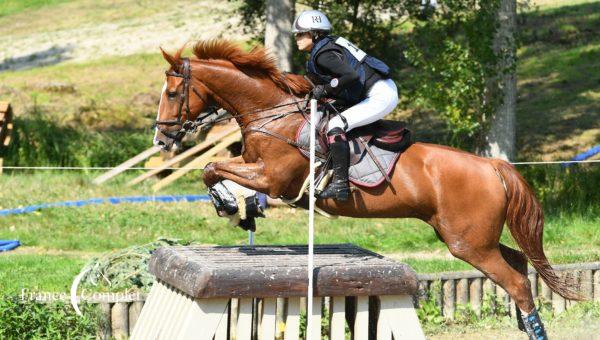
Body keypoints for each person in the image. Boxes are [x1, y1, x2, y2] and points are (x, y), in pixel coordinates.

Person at [292, 10, 399, 201]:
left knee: (335, 125)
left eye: (301, 34)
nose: (297, 38)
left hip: (380, 95)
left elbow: (351, 76)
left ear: (314, 34)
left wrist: (325, 89)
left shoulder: (324, 55)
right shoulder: (327, 46)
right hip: (375, 90)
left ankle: (340, 185)